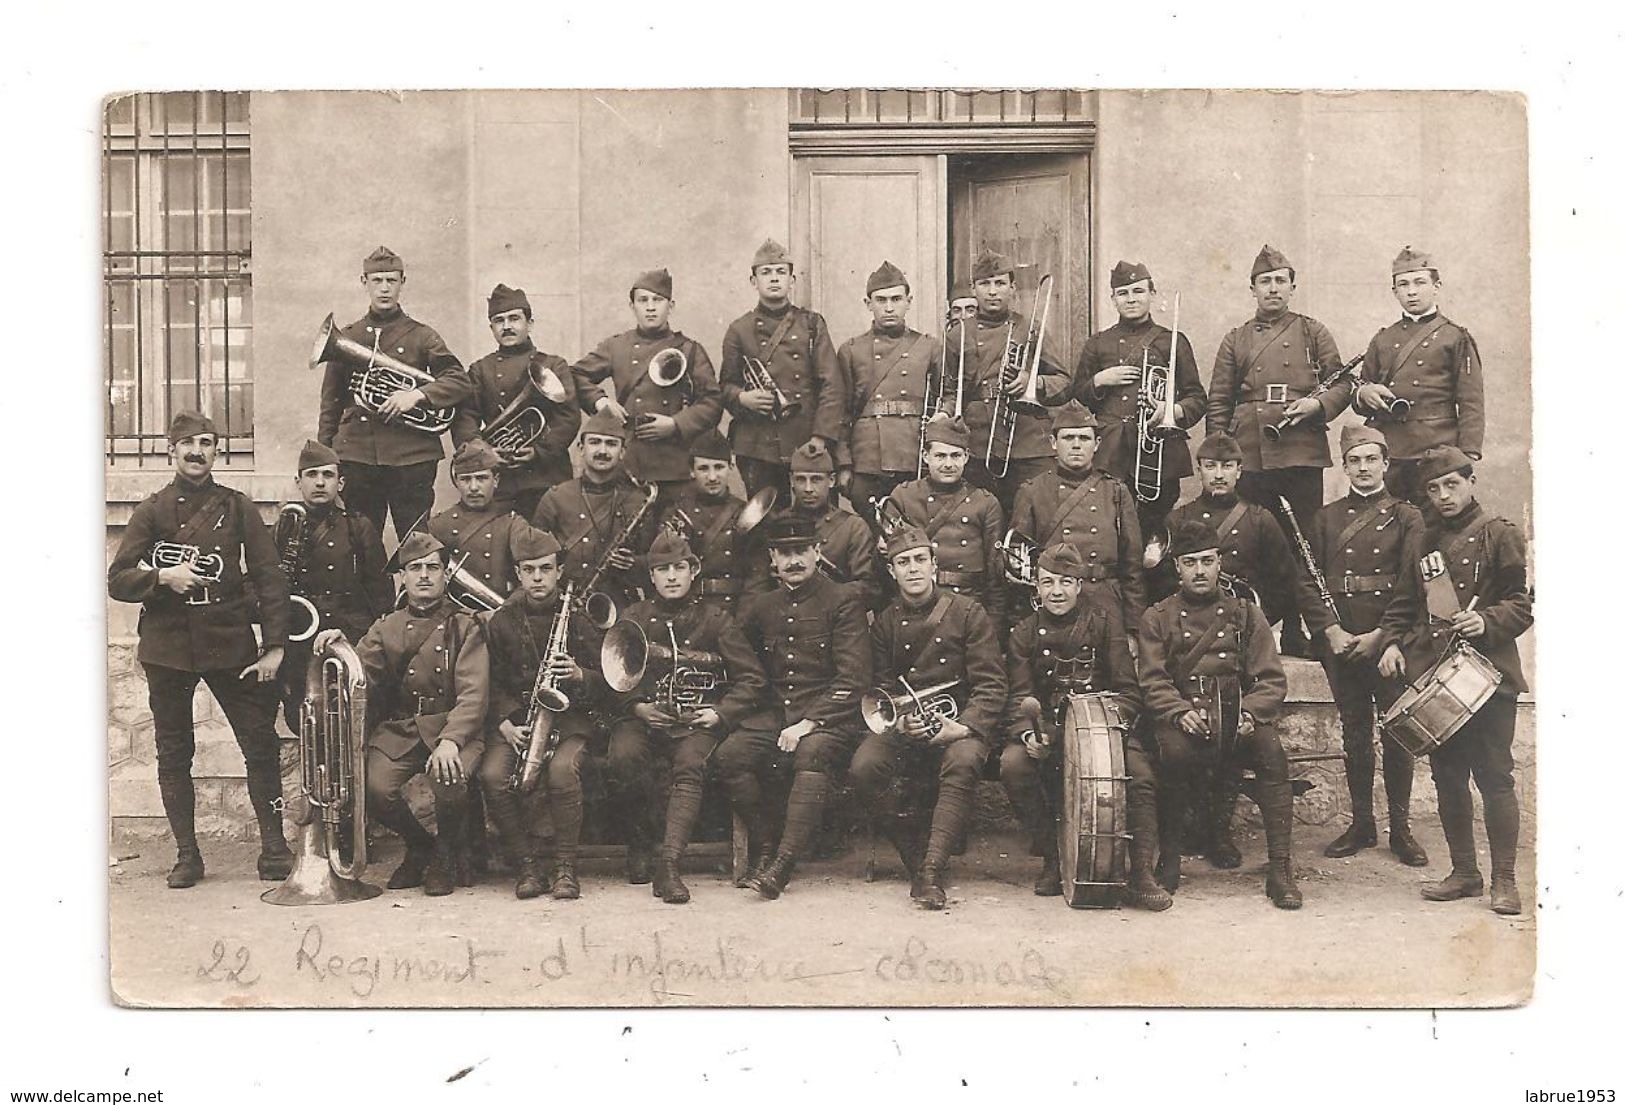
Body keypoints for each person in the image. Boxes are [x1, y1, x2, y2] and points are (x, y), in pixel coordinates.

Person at [108, 411, 294, 888]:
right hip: (168, 646)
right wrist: (162, 577)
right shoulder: (151, 510)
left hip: (229, 641)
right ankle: (187, 855)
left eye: (207, 443)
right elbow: (118, 580)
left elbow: (271, 578)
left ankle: (274, 847)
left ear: (217, 451)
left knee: (259, 744)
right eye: (188, 444)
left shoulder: (237, 507)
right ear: (171, 452)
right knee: (174, 753)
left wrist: (274, 646)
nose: (197, 452)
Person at [1159, 431, 1325, 866]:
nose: (1218, 474)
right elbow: (1160, 585)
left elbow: (1286, 581)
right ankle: (1193, 829)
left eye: (1227, 466)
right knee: (1185, 744)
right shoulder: (1178, 519)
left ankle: (1220, 832)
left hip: (1238, 641)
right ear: (1199, 471)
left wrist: (1254, 626)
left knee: (1238, 739)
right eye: (1210, 466)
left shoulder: (1259, 519)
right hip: (1190, 646)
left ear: (1238, 470)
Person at [1379, 446, 1533, 914]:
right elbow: (1406, 603)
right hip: (1440, 675)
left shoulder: (1499, 534)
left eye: (1451, 485)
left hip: (1487, 677)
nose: (1443, 496)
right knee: (1448, 776)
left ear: (1471, 483)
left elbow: (1521, 604)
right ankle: (1465, 872)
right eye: (1433, 488)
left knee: (1495, 777)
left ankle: (1504, 880)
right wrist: (1391, 642)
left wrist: (1485, 621)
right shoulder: (1424, 541)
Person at [1138, 521, 1301, 909]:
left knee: (1272, 754)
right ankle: (1171, 860)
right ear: (1177, 568)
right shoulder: (1157, 617)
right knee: (1173, 755)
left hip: (1235, 717)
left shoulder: (1245, 614)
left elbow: (1271, 679)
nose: (1200, 571)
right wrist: (1178, 712)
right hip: (1185, 718)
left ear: (1219, 564)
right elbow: (1153, 680)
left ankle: (1280, 870)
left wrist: (1251, 714)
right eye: (1190, 562)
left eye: (1207, 561)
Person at [317, 532, 488, 897]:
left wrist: (451, 740)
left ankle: (445, 854)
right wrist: (339, 644)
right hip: (406, 727)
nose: (424, 575)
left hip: (454, 726)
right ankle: (419, 844)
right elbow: (359, 672)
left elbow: (474, 694)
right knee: (372, 786)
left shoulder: (465, 625)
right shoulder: (386, 626)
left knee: (449, 775)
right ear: (404, 578)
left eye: (432, 568)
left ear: (445, 576)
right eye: (415, 568)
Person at [605, 531, 772, 903]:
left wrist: (720, 713)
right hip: (646, 717)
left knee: (689, 764)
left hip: (697, 720)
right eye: (662, 569)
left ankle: (669, 865)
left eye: (679, 567)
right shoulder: (634, 617)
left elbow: (753, 679)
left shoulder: (716, 619)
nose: (671, 576)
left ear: (693, 570)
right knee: (624, 756)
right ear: (651, 576)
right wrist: (637, 707)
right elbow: (612, 677)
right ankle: (641, 844)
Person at [714, 514, 873, 899]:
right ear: (772, 559)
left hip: (831, 717)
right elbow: (739, 657)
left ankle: (782, 864)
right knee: (729, 756)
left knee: (811, 753)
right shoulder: (761, 606)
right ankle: (765, 845)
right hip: (774, 715)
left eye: (802, 550)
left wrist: (809, 723)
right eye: (785, 554)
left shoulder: (842, 600)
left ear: (818, 552)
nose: (794, 561)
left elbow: (853, 680)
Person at [999, 544, 1164, 909]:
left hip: (1103, 732)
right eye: (1047, 582)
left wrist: (1099, 729)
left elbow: (1128, 692)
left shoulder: (1105, 623)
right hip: (1050, 731)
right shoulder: (1023, 633)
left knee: (1140, 774)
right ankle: (1053, 859)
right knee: (1013, 765)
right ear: (1035, 588)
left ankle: (1140, 873)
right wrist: (1030, 735)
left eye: (1065, 582)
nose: (1056, 591)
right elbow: (1018, 698)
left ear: (1079, 585)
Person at [850, 525, 1007, 909]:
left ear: (935, 565)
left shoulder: (969, 612)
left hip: (959, 723)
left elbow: (991, 683)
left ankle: (933, 871)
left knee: (965, 760)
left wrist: (964, 726)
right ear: (892, 572)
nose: (914, 569)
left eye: (921, 560)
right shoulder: (885, 622)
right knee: (865, 766)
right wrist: (901, 721)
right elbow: (882, 684)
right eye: (903, 562)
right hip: (908, 723)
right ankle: (916, 859)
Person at [1207, 243, 1350, 653]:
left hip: (1300, 450)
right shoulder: (1235, 339)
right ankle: (1250, 631)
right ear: (1252, 289)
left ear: (1292, 286)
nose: (1273, 289)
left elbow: (1342, 382)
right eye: (1264, 282)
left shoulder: (1313, 332)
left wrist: (1316, 404)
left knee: (1302, 544)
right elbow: (1219, 400)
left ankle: (1295, 631)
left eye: (1280, 281)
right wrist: (1221, 453)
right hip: (1251, 452)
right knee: (1254, 545)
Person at [1302, 425, 1429, 866]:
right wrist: (1330, 631)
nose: (1363, 468)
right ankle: (1361, 824)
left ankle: (1401, 830)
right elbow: (1307, 584)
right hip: (1342, 644)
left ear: (1386, 464)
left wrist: (1383, 636)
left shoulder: (1408, 517)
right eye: (1354, 460)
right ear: (1344, 465)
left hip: (1388, 643)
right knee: (1355, 733)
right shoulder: (1325, 519)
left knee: (1397, 736)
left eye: (1371, 459)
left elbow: (1413, 586)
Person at [478, 527, 609, 901]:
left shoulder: (579, 617)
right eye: (529, 569)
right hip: (519, 721)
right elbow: (489, 681)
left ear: (559, 571)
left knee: (562, 771)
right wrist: (504, 724)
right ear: (518, 573)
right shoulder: (502, 620)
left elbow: (612, 679)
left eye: (546, 569)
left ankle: (566, 867)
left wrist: (581, 674)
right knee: (492, 775)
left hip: (570, 719)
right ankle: (527, 865)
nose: (538, 578)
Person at [316, 245, 473, 542]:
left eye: (391, 280)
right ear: (365, 282)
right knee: (362, 546)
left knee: (416, 543)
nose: (384, 288)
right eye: (377, 281)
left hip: (411, 458)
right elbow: (331, 403)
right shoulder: (348, 337)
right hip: (358, 456)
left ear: (403, 282)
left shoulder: (422, 335)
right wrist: (326, 457)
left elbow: (459, 380)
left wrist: (417, 396)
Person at [1070, 260, 1207, 540]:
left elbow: (1197, 398)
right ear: (1113, 299)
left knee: (1152, 532)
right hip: (1111, 452)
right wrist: (1100, 380)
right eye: (1123, 293)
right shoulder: (1098, 343)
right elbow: (1079, 394)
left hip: (1158, 452)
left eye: (1138, 291)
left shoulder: (1173, 341)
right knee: (1110, 529)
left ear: (1152, 294)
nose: (1131, 299)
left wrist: (1171, 410)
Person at [274, 439, 393, 736]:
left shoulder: (358, 526)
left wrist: (355, 633)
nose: (319, 482)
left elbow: (381, 596)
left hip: (348, 637)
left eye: (327, 476)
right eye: (312, 475)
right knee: (302, 721)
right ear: (298, 482)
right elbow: (263, 586)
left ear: (340, 484)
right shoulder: (283, 527)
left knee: (351, 722)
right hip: (300, 640)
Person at [572, 267, 723, 501]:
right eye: (643, 300)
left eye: (658, 300)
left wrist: (675, 423)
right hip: (629, 459)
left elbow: (712, 402)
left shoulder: (690, 349)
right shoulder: (616, 346)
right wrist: (601, 402)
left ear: (670, 306)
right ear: (632, 306)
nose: (650, 307)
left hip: (674, 462)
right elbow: (577, 375)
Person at [1352, 247, 1486, 507]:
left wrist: (1466, 455)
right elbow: (1359, 398)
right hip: (1391, 452)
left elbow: (1471, 401)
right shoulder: (1382, 339)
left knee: (1435, 528)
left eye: (1419, 282)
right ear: (1394, 292)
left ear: (1436, 286)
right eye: (1403, 284)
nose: (1411, 291)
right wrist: (1363, 394)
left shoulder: (1455, 337)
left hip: (1438, 452)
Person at [944, 249, 1071, 513]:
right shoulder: (958, 334)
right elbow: (948, 391)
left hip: (1028, 444)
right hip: (979, 443)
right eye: (985, 284)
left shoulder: (1031, 327)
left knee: (1035, 517)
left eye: (1000, 283)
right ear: (974, 289)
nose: (992, 291)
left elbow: (1063, 383)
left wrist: (1033, 382)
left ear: (1012, 289)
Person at [1009, 401, 1146, 645]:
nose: (1075, 445)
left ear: (1097, 444)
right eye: (1068, 437)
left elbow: (1132, 567)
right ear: (1053, 443)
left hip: (1105, 604)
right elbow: (1019, 567)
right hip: (1053, 608)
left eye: (1084, 438)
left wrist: (1132, 629)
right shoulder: (1032, 492)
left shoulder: (1116, 491)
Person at [719, 239, 844, 501]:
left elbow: (831, 385)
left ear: (792, 279)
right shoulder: (738, 329)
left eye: (780, 272)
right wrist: (743, 398)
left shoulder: (812, 324)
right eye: (766, 272)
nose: (774, 279)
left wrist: (821, 438)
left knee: (813, 516)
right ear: (753, 281)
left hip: (805, 439)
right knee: (766, 521)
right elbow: (725, 386)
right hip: (757, 445)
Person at [452, 283, 579, 520]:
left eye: (514, 318)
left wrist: (539, 451)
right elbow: (465, 416)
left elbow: (568, 417)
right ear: (491, 328)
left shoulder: (553, 365)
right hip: (500, 481)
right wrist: (483, 449)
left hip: (546, 475)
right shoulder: (480, 370)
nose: (507, 326)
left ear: (529, 323)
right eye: (499, 321)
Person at [832, 260, 945, 514]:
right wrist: (844, 464)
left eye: (896, 299)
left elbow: (947, 394)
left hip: (913, 455)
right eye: (881, 300)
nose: (889, 307)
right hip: (867, 460)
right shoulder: (851, 350)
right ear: (868, 304)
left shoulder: (929, 347)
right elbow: (840, 413)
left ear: (909, 301)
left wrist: (944, 413)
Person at [884, 415, 1007, 637]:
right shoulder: (903, 497)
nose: (948, 464)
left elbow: (995, 577)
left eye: (955, 456)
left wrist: (994, 630)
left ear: (966, 457)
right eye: (940, 456)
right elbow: (886, 568)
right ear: (925, 456)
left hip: (968, 607)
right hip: (914, 607)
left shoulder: (985, 503)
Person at [532, 407, 661, 615]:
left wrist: (633, 564)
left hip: (620, 607)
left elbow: (654, 560)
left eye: (611, 444)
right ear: (581, 448)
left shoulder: (638, 500)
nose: (602, 450)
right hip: (563, 606)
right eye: (595, 442)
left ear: (623, 452)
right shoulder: (555, 498)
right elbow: (534, 557)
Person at [750, 440, 883, 612]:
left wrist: (825, 592)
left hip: (834, 617)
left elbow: (869, 589)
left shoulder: (853, 527)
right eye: (800, 479)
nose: (808, 488)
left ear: (832, 480)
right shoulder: (775, 524)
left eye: (816, 480)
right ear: (791, 480)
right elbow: (759, 586)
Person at [652, 429, 759, 611]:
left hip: (734, 609)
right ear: (691, 471)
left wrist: (744, 619)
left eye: (719, 467)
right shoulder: (675, 514)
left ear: (731, 466)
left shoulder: (747, 513)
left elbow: (758, 577)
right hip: (689, 609)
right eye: (703, 468)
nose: (712, 477)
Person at [427, 438, 529, 606]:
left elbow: (529, 576)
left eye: (481, 478)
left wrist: (508, 610)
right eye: (466, 479)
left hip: (500, 614)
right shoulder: (439, 526)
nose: (473, 487)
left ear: (495, 480)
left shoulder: (513, 524)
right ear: (457, 482)